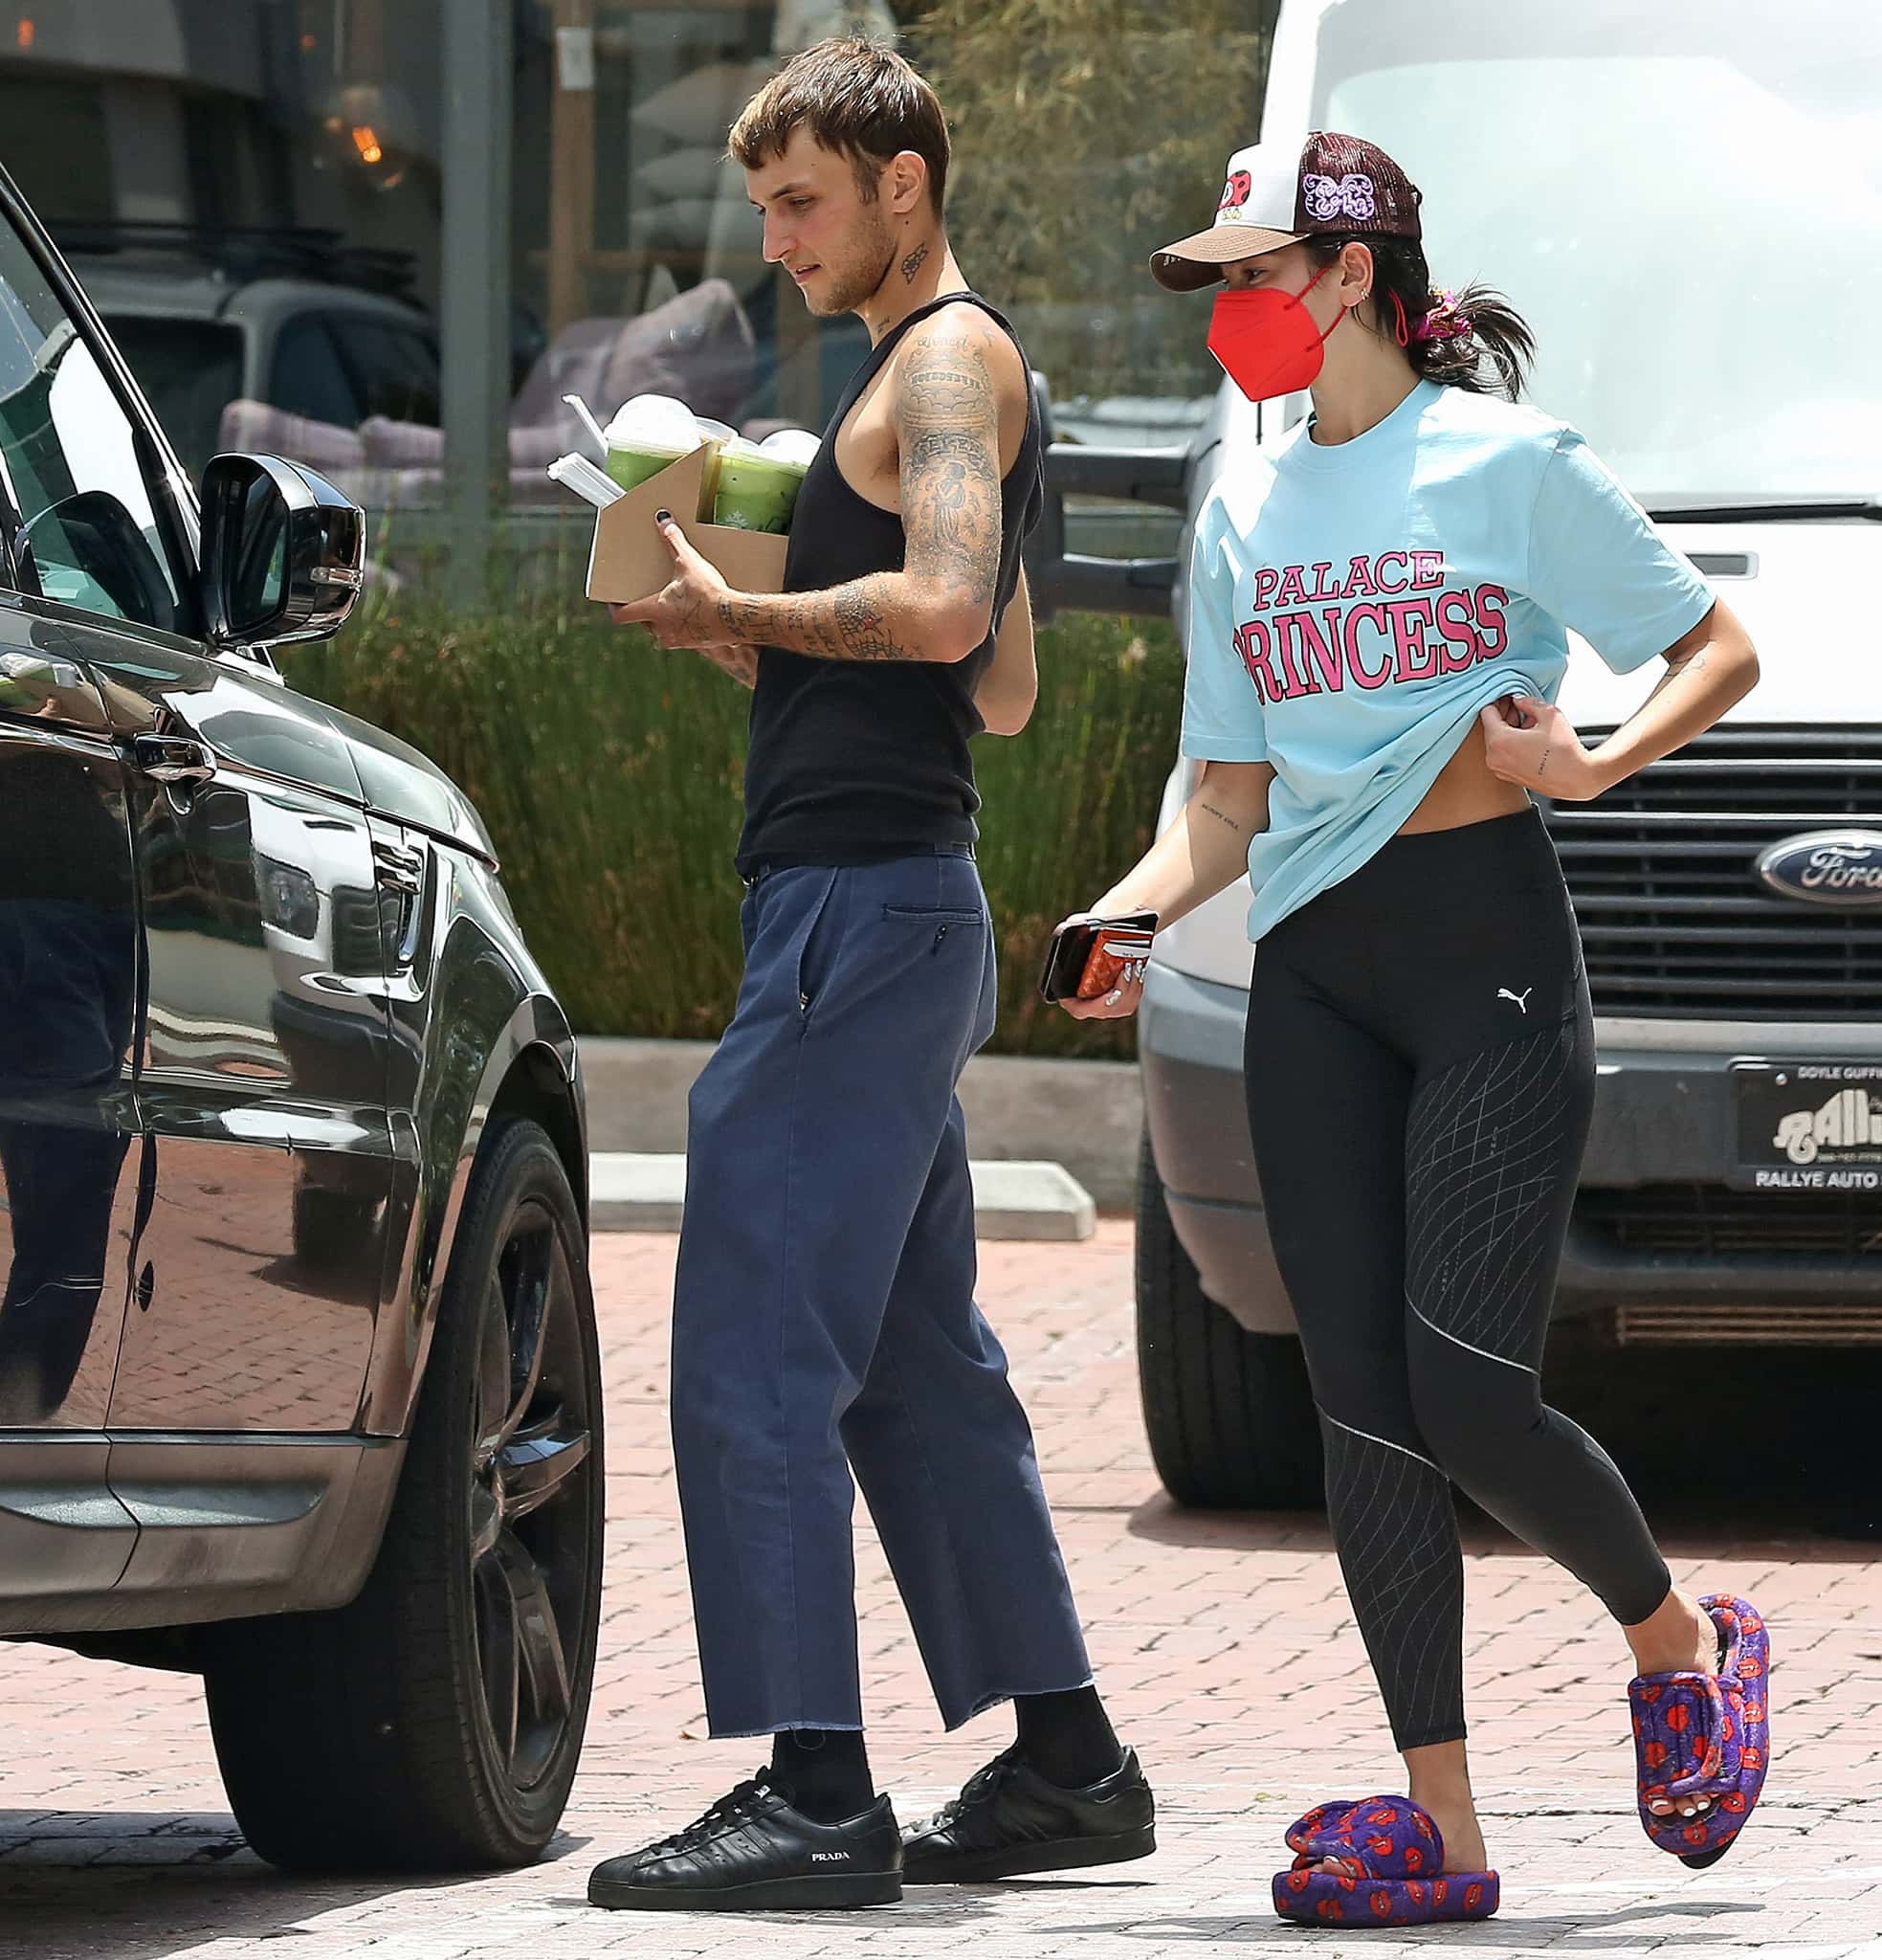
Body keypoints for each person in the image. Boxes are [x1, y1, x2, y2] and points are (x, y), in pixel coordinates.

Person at [1060, 132, 1768, 1929]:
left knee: (1465, 1387)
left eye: (1256, 275)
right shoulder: (1243, 508)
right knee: (1360, 1413)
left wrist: (1591, 762)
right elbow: (1224, 796)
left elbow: (1713, 645)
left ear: (1353, 275)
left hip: (1489, 963)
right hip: (1311, 970)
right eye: (1220, 284)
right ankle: (1445, 1834)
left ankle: (1684, 1639)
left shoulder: (1507, 465)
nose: (1235, 312)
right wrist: (1130, 913)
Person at [586, 37, 1152, 1915]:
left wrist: (753, 605)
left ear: (903, 183)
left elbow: (948, 611)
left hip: (855, 926)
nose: (779, 239)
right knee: (913, 1367)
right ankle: (1069, 1764)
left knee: (753, 1339)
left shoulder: (950, 359)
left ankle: (816, 1792)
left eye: (802, 201)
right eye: (763, 208)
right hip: (881, 908)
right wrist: (774, 658)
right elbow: (994, 691)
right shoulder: (932, 381)